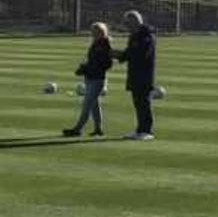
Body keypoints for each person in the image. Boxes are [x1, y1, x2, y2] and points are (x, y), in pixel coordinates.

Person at [62, 21, 114, 138]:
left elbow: (106, 64)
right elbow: (93, 62)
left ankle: (78, 129)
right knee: (94, 105)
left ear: (102, 33)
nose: (94, 34)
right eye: (93, 32)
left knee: (87, 104)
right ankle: (98, 129)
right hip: (91, 78)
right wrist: (85, 68)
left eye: (96, 32)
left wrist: (88, 68)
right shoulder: (96, 44)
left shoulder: (104, 45)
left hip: (97, 79)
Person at [114, 10, 157, 141]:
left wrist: (122, 55)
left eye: (128, 23)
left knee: (144, 102)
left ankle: (146, 130)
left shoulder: (146, 35)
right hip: (134, 73)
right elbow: (128, 53)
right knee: (138, 102)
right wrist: (114, 54)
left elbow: (141, 54)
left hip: (144, 74)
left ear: (135, 21)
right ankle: (140, 130)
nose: (126, 26)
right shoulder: (134, 36)